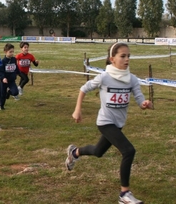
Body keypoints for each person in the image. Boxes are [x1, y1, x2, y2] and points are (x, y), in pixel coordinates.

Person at [65, 42, 153, 204]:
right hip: (105, 122)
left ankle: (75, 152)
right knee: (128, 151)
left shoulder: (132, 79)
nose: (127, 59)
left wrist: (145, 104)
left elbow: (140, 99)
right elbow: (83, 88)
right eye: (122, 56)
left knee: (98, 152)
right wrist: (77, 109)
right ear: (112, 59)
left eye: (128, 56)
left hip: (118, 124)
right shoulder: (104, 77)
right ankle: (124, 195)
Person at [0, 43, 20, 110]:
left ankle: (9, 92)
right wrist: (3, 78)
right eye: (10, 52)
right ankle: (1, 106)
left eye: (13, 51)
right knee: (2, 94)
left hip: (11, 80)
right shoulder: (3, 61)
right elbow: (0, 71)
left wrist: (19, 73)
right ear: (5, 52)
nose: (12, 53)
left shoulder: (14, 59)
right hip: (4, 81)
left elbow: (16, 68)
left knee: (15, 92)